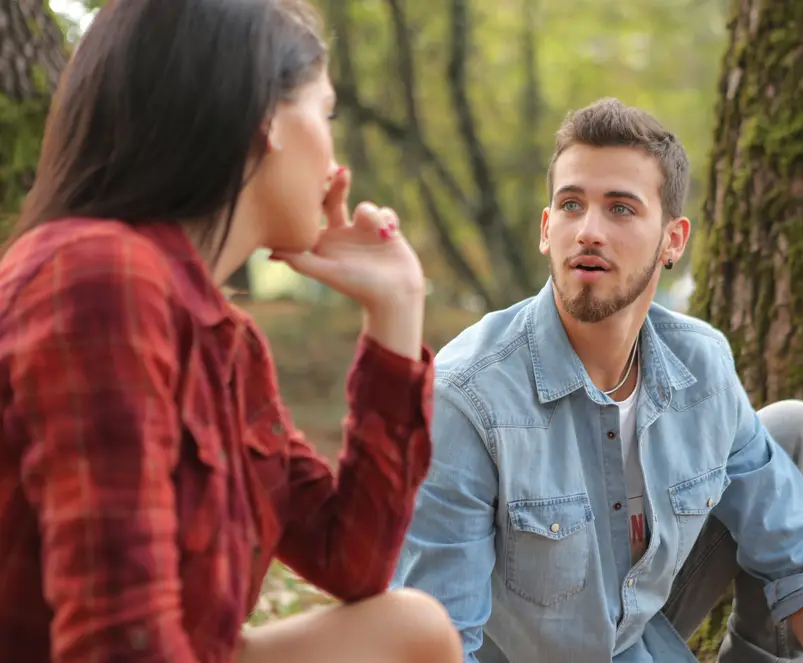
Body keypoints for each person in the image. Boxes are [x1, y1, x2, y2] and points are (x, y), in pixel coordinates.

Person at [0, 1, 461, 662]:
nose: (336, 166)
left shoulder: (220, 338)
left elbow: (351, 559)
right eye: (324, 114)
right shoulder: (97, 278)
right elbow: (118, 640)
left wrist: (396, 308)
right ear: (265, 119)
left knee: (410, 630)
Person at [391, 97, 803, 663]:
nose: (589, 231)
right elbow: (437, 642)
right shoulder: (466, 396)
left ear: (673, 239)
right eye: (572, 205)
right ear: (547, 229)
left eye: (621, 209)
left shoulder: (701, 364)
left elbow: (799, 559)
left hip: (638, 627)